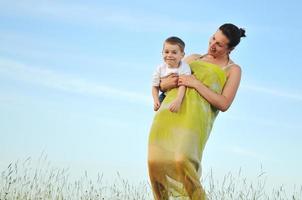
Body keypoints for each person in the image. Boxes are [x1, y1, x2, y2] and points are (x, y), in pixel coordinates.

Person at [148, 23, 246, 200]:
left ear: (230, 49)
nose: (212, 45)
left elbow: (224, 103)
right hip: (168, 111)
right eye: (213, 38)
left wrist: (196, 83)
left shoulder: (233, 70)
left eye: (219, 44)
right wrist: (167, 84)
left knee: (181, 160)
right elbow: (162, 84)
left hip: (195, 121)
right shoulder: (193, 58)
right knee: (155, 162)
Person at [152, 36, 191, 112]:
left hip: (180, 94)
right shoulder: (160, 69)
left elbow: (183, 85)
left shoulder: (184, 67)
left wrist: (178, 100)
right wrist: (155, 99)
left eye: (174, 52)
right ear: (162, 53)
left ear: (182, 55)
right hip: (165, 95)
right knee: (158, 109)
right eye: (166, 52)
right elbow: (155, 86)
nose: (169, 55)